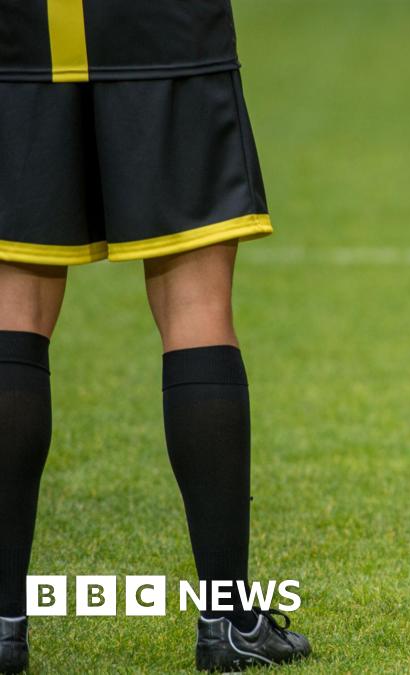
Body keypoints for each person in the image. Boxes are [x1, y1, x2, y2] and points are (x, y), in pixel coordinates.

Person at [0, 2, 310, 671]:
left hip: (20, 30)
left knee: (11, 305)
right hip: (158, 24)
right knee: (194, 302)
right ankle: (227, 621)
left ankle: (1, 621)